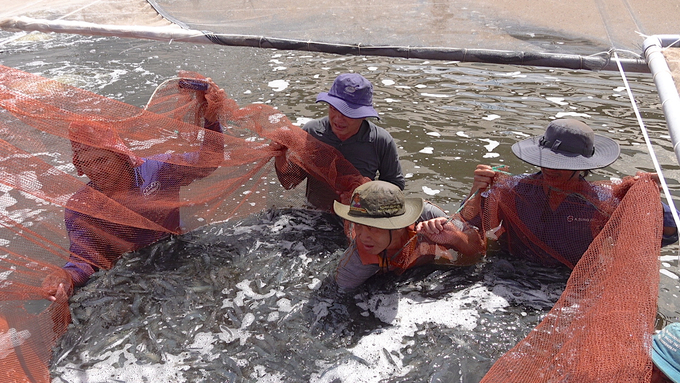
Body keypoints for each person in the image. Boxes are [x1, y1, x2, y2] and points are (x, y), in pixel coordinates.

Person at [43, 78, 226, 300]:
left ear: (122, 156)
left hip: (175, 251)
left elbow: (208, 162)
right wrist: (65, 278)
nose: (95, 170)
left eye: (102, 160)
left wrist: (212, 121)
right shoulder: (81, 206)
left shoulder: (159, 170)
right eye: (86, 163)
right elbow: (85, 261)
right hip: (128, 275)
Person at [467, 118, 678, 268]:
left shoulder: (603, 201)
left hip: (568, 283)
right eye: (547, 161)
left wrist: (649, 196)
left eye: (563, 164)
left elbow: (669, 232)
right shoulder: (512, 190)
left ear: (583, 166)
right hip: (508, 273)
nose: (551, 169)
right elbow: (470, 227)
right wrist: (476, 191)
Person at [274, 73, 405, 212]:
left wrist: (361, 200)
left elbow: (395, 187)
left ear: (364, 115)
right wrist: (280, 156)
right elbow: (290, 182)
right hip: (315, 215)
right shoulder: (312, 132)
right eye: (334, 108)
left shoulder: (381, 140)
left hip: (359, 216)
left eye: (348, 113)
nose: (338, 119)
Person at [332, 180, 484, 291]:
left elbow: (479, 252)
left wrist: (455, 237)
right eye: (359, 225)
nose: (363, 236)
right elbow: (341, 293)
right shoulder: (356, 262)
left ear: (398, 226)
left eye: (373, 228)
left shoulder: (430, 218)